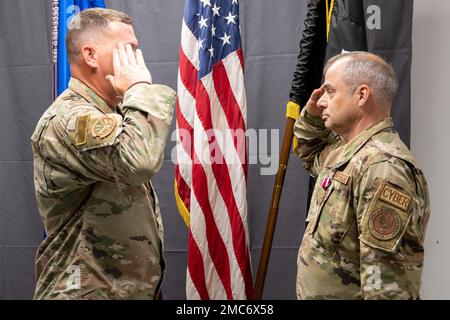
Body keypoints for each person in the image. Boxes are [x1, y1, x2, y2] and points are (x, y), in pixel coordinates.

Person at [31, 8, 176, 299]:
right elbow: (139, 161)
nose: (136, 60)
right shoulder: (71, 118)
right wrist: (139, 88)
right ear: (90, 55)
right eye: (127, 49)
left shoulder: (112, 113)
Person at [293, 52, 430, 299]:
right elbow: (309, 154)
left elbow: (388, 287)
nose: (322, 101)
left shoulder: (383, 167)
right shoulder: (345, 151)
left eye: (330, 91)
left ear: (362, 96)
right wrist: (312, 117)